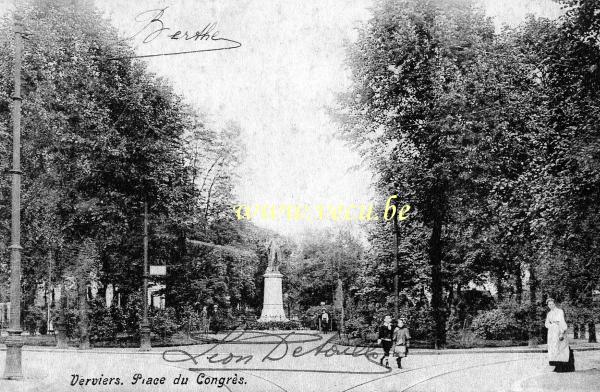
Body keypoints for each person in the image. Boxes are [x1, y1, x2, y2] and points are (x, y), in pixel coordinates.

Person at [545, 298, 574, 372]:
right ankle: (557, 366)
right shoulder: (549, 314)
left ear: (555, 304)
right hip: (552, 333)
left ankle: (564, 367)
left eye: (552, 304)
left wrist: (562, 333)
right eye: (549, 304)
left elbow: (562, 322)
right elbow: (546, 324)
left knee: (562, 348)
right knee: (554, 349)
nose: (551, 306)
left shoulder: (560, 311)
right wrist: (552, 325)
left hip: (559, 331)